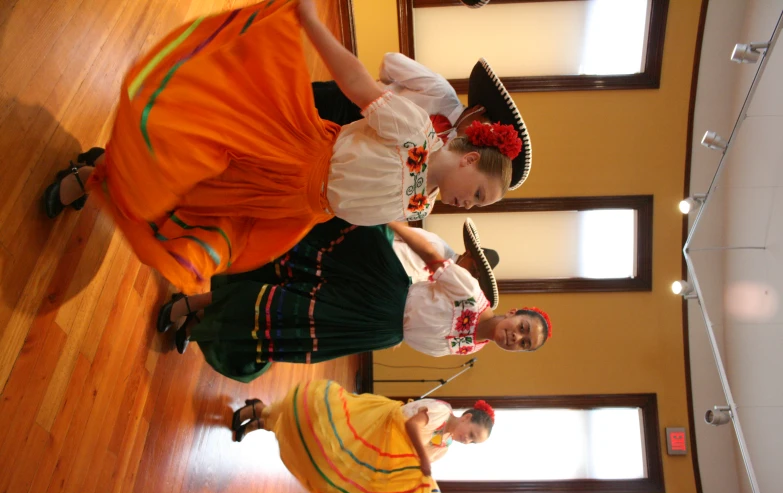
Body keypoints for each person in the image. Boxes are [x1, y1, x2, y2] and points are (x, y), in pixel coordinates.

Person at [42, 0, 523, 294]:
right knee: (189, 161)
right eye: (478, 193)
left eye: (478, 205)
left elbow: (361, 207)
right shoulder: (417, 129)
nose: (468, 204)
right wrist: (312, 22)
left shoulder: (425, 202)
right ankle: (96, 173)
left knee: (197, 203)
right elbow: (357, 82)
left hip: (295, 205)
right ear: (470, 157)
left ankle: (106, 180)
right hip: (292, 153)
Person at [159, 217, 552, 381]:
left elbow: (419, 335)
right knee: (289, 290)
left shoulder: (468, 347)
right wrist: (388, 221)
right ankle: (188, 305)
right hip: (381, 287)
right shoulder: (471, 294)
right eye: (522, 328)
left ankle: (200, 325)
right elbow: (431, 256)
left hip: (376, 331)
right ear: (514, 313)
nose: (515, 338)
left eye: (523, 343)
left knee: (285, 323)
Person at [228, 379, 495, 493]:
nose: (466, 441)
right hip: (375, 427)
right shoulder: (441, 411)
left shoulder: (445, 445)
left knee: (321, 458)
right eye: (470, 434)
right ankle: (261, 412)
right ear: (467, 417)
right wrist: (424, 464)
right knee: (316, 429)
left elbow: (418, 466)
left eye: (472, 442)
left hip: (379, 450)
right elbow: (413, 428)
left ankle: (263, 419)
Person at [313, 53, 532, 191]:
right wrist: (384, 89)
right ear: (479, 109)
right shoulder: (441, 91)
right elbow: (392, 62)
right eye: (486, 124)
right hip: (350, 103)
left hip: (350, 147)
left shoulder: (453, 157)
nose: (481, 132)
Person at [392, 221, 500, 284]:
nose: (469, 274)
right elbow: (395, 232)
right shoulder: (437, 245)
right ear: (467, 254)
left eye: (475, 276)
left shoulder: (445, 285)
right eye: (473, 268)